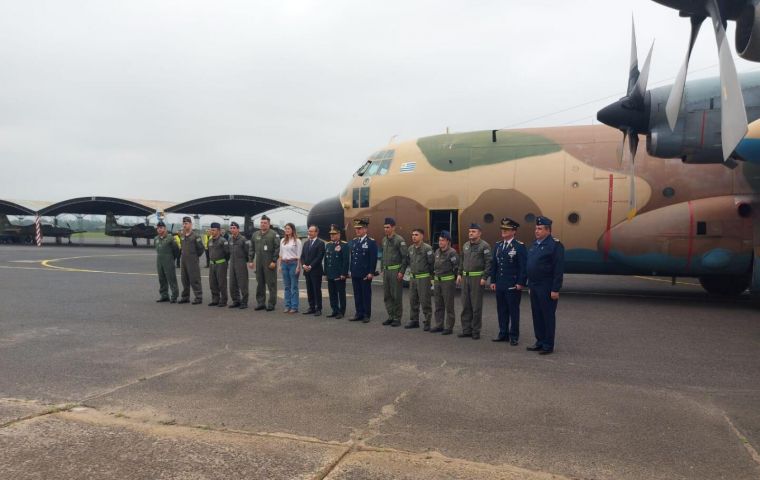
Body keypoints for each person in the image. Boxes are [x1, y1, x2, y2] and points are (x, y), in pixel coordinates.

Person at [526, 216, 564, 355]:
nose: (536, 231)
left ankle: (548, 345)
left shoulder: (555, 245)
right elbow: (531, 266)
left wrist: (555, 289)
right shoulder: (535, 244)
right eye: (536, 228)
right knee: (537, 315)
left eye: (540, 229)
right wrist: (530, 285)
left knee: (547, 315)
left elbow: (558, 269)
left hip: (546, 287)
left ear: (548, 230)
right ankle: (540, 341)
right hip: (535, 286)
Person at [490, 218, 527, 345]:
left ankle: (514, 336)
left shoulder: (519, 246)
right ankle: (503, 333)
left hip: (512, 285)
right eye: (502, 229)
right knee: (501, 310)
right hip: (500, 284)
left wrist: (520, 282)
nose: (503, 231)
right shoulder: (498, 245)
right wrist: (493, 281)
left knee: (513, 311)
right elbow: (494, 265)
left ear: (514, 231)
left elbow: (523, 267)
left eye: (506, 229)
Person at [456, 223, 492, 340]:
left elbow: (488, 263)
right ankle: (466, 330)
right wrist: (459, 274)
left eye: (474, 231)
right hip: (465, 278)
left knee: (476, 306)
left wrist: (484, 277)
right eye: (470, 231)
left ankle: (475, 331)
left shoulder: (484, 246)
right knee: (465, 305)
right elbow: (462, 260)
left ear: (479, 233)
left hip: (477, 279)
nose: (471, 233)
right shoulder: (466, 245)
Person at [348, 218, 377, 323]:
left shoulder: (371, 242)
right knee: (357, 294)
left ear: (365, 229)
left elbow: (372, 259)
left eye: (359, 229)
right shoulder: (354, 241)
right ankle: (358, 313)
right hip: (355, 272)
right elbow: (353, 258)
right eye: (356, 229)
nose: (357, 231)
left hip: (365, 273)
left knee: (365, 295)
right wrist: (350, 270)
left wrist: (371, 272)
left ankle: (366, 314)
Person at [405, 228, 434, 330]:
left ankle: (427, 322)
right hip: (413, 279)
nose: (413, 236)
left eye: (416, 235)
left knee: (425, 301)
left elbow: (431, 264)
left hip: (423, 279)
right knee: (413, 301)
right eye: (412, 234)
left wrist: (430, 278)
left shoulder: (427, 249)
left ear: (422, 236)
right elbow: (409, 261)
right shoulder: (410, 249)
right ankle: (414, 320)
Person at [249, 215, 280, 311]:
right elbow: (251, 248)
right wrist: (250, 260)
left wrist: (274, 261)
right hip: (259, 263)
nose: (263, 224)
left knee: (271, 284)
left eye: (265, 223)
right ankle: (261, 303)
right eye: (261, 223)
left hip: (270, 262)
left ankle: (271, 304)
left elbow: (277, 248)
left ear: (269, 224)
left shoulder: (274, 234)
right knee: (260, 283)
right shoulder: (255, 234)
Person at [381, 218, 408, 327]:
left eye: (388, 227)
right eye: (385, 227)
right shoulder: (384, 240)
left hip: (395, 271)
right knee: (387, 296)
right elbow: (383, 256)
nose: (386, 229)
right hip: (386, 271)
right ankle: (391, 316)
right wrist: (382, 268)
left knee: (396, 295)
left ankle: (397, 318)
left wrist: (401, 272)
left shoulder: (399, 240)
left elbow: (405, 257)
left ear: (393, 227)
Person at [432, 230, 458, 334]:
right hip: (437, 282)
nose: (440, 242)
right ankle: (439, 325)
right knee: (438, 304)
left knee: (449, 305)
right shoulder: (437, 251)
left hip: (447, 282)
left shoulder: (452, 253)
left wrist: (455, 279)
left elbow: (456, 266)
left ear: (448, 241)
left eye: (442, 240)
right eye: (439, 240)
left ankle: (449, 327)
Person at [324, 224, 349, 319]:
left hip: (339, 274)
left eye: (334, 234)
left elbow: (346, 261)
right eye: (331, 234)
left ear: (339, 234)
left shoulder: (344, 245)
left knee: (341, 293)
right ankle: (334, 310)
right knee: (332, 293)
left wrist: (344, 273)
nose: (332, 236)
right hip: (330, 273)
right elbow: (326, 260)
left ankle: (341, 311)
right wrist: (326, 273)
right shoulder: (329, 245)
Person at [178, 216, 205, 304]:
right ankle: (185, 297)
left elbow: (201, 249)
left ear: (190, 224)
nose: (184, 225)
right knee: (184, 279)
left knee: (195, 279)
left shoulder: (195, 236)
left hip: (192, 261)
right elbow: (182, 247)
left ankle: (198, 297)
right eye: (183, 223)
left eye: (186, 223)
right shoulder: (182, 235)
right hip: (184, 261)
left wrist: (194, 256)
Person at [301, 225, 325, 316]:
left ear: (316, 232)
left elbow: (319, 257)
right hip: (307, 271)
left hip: (316, 271)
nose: (309, 233)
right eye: (309, 231)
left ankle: (318, 308)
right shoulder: (306, 243)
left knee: (316, 290)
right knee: (309, 289)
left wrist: (310, 266)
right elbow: (302, 256)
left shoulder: (320, 243)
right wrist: (303, 265)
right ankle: (311, 307)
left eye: (311, 231)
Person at [228, 221, 252, 309]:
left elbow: (248, 251)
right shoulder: (230, 239)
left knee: (243, 283)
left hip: (241, 263)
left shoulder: (243, 239)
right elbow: (228, 251)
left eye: (234, 228)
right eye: (231, 228)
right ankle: (236, 301)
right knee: (232, 284)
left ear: (238, 229)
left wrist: (248, 261)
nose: (232, 230)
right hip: (232, 263)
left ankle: (244, 302)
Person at [279, 223, 302, 313]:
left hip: (293, 263)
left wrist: (298, 267)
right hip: (284, 263)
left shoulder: (297, 241)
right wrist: (280, 265)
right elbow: (280, 254)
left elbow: (299, 255)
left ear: (292, 229)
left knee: (294, 286)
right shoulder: (282, 240)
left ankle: (294, 306)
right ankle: (287, 305)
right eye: (286, 229)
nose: (287, 230)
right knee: (286, 286)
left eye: (288, 228)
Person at [154, 220, 179, 303]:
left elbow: (176, 250)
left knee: (171, 279)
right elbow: (157, 249)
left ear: (165, 228)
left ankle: (174, 296)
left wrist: (172, 258)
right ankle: (164, 295)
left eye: (161, 228)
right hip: (159, 261)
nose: (159, 230)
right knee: (161, 279)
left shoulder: (170, 238)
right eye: (158, 228)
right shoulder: (156, 239)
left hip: (169, 261)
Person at [207, 222, 230, 307]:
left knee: (221, 283)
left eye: (214, 230)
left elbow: (227, 253)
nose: (212, 231)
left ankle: (223, 300)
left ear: (219, 231)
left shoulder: (223, 241)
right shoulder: (209, 241)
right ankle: (215, 299)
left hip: (221, 264)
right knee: (212, 283)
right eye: (211, 230)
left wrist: (224, 261)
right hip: (212, 265)